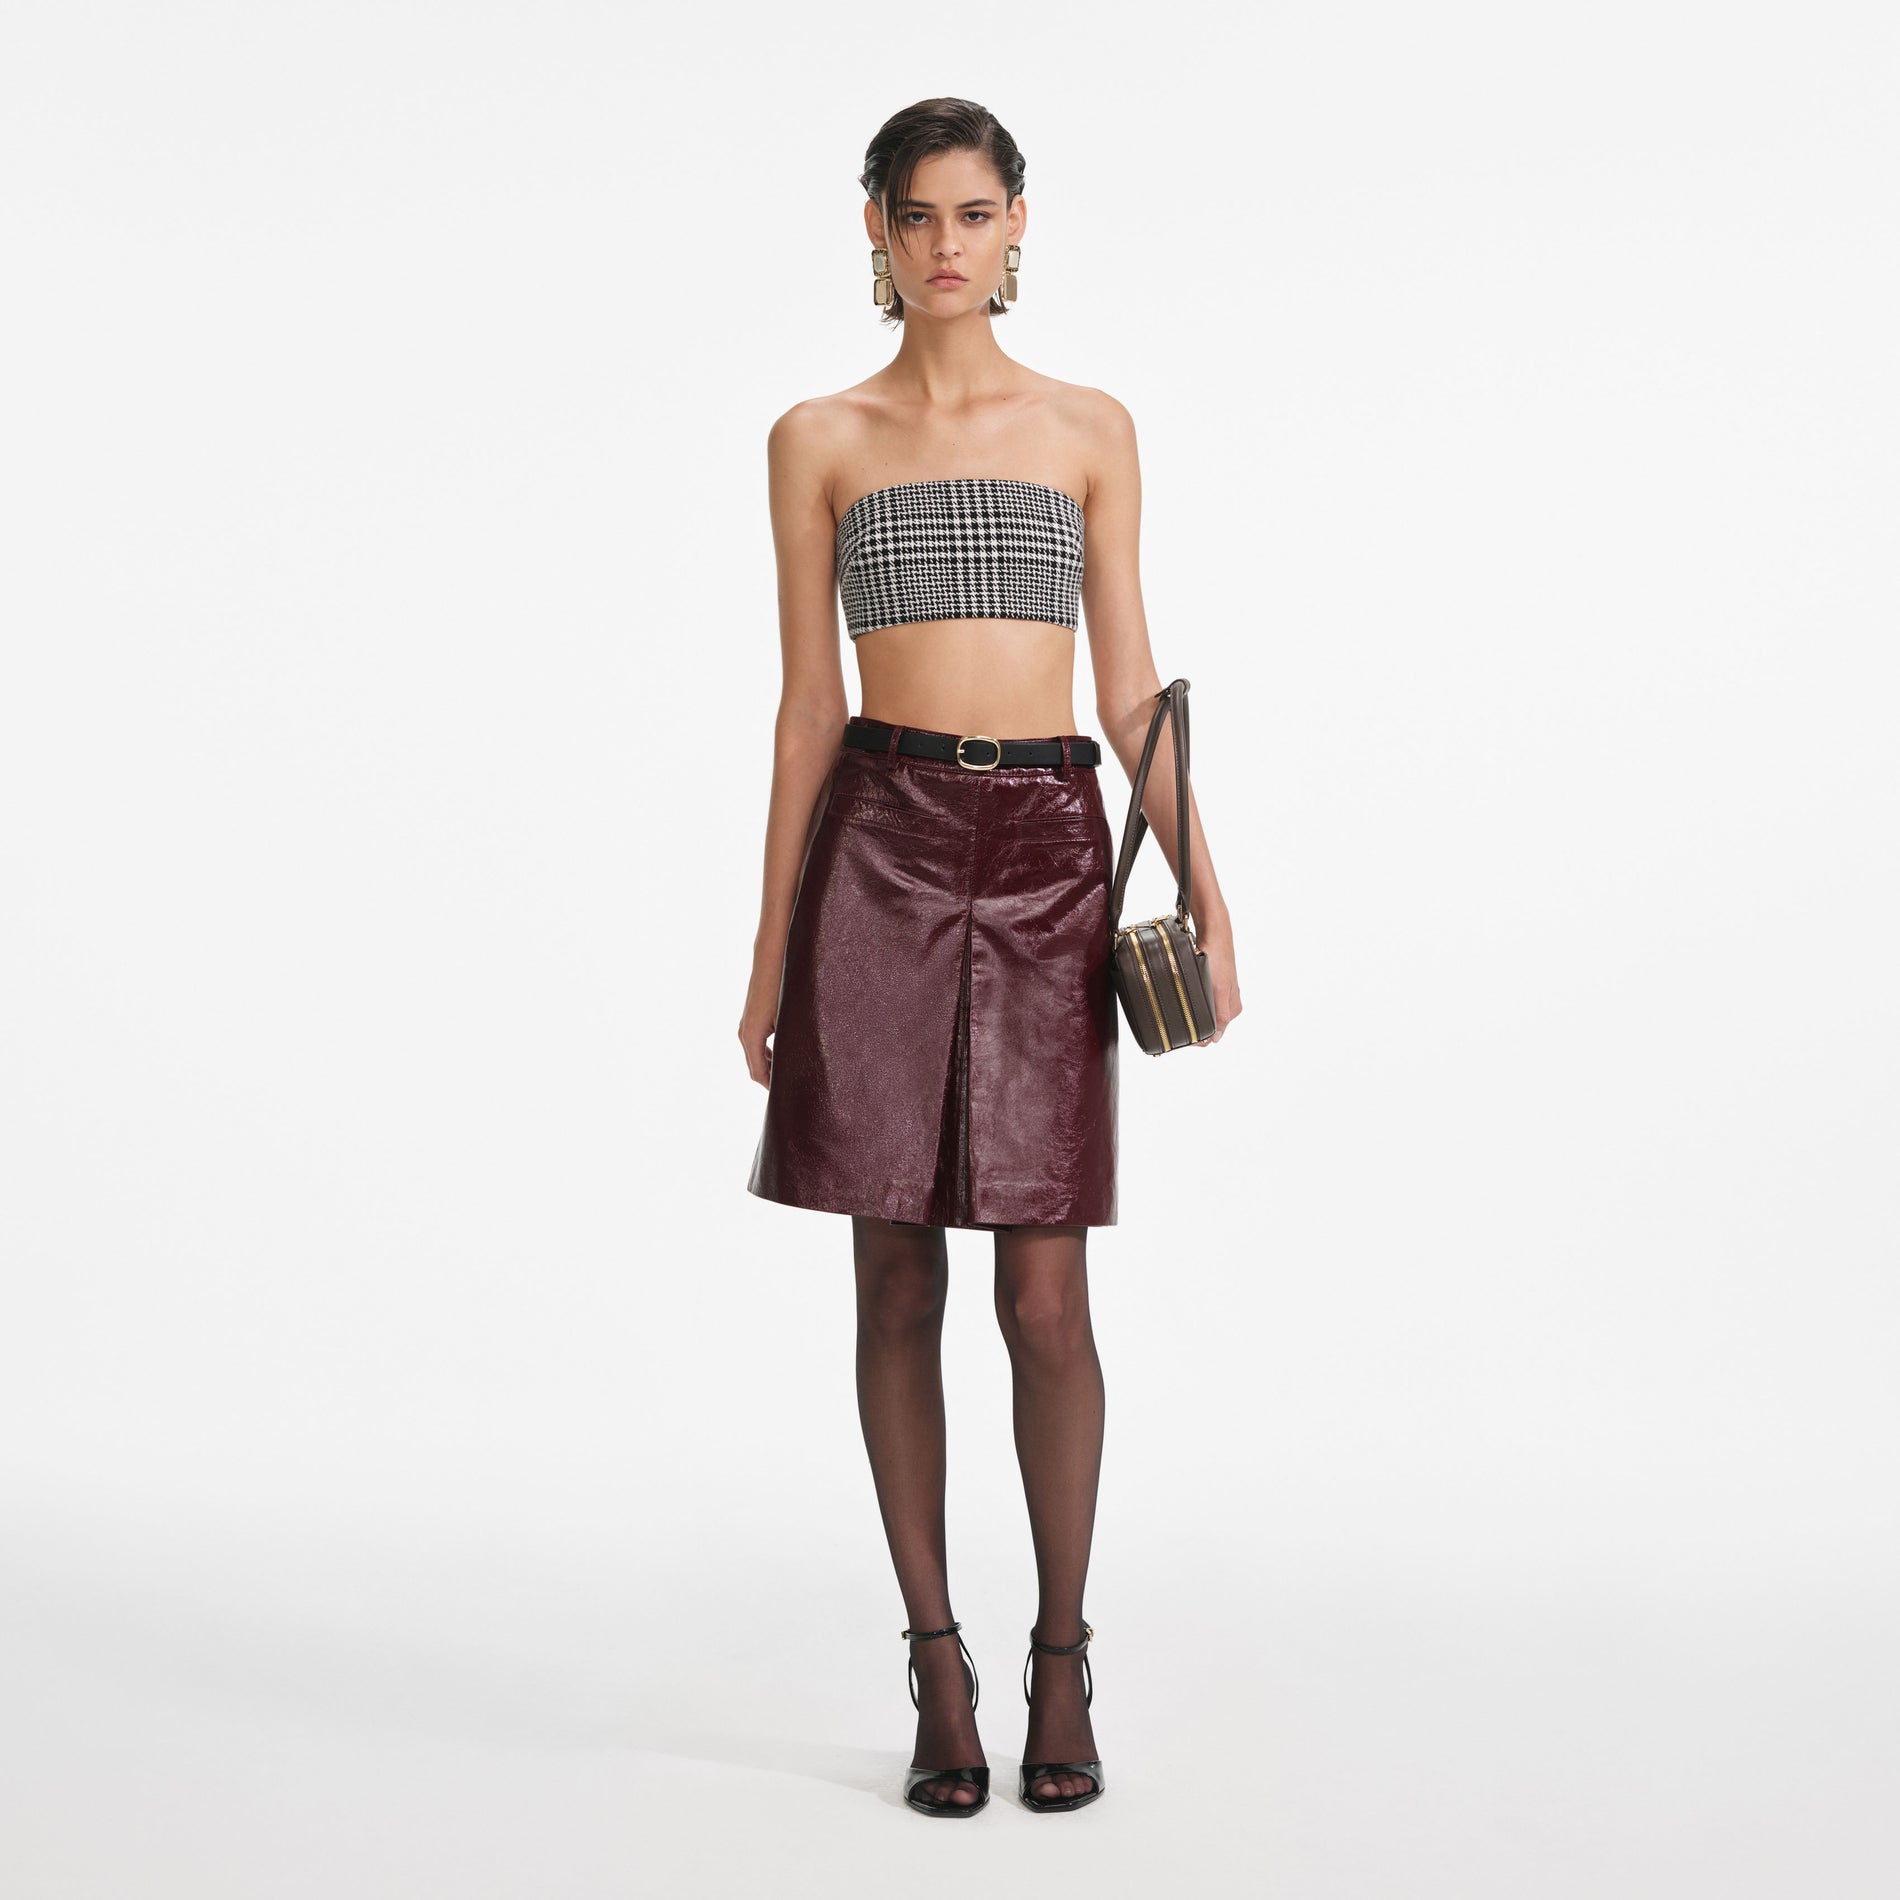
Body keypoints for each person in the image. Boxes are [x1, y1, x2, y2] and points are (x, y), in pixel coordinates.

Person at [739, 97, 1241, 1817]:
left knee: (1044, 1295)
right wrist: (767, 949)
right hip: (875, 848)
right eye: (917, 215)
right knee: (895, 1278)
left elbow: (1129, 689)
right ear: (876, 233)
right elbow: (808, 708)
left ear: (1019, 223)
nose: (945, 244)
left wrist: (1209, 892)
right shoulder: (817, 438)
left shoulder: (1089, 429)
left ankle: (1063, 1654)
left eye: (974, 213)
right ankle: (939, 1663)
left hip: (1044, 850)